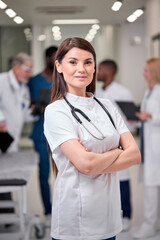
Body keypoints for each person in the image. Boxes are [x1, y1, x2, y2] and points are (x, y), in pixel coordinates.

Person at [44, 37, 141, 240]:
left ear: (95, 67)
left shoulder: (107, 106)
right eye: (73, 62)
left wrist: (94, 161)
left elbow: (134, 156)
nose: (82, 69)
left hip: (108, 217)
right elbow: (86, 165)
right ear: (59, 66)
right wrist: (116, 152)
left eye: (88, 62)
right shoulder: (56, 111)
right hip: (76, 221)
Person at [96, 60, 135, 231]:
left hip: (119, 142)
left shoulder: (123, 92)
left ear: (108, 71)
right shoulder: (94, 91)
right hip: (100, 142)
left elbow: (131, 121)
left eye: (99, 69)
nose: (97, 72)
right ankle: (106, 214)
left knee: (122, 178)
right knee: (104, 178)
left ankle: (125, 215)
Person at [0, 52, 33, 213]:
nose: (29, 74)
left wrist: (36, 111)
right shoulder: (1, 80)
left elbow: (22, 115)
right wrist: (0, 119)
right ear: (16, 66)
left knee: (5, 176)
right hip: (2, 135)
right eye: (27, 69)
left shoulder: (24, 89)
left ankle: (7, 215)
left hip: (10, 140)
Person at [28, 46, 58, 225]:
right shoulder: (34, 81)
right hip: (40, 133)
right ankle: (48, 211)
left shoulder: (62, 79)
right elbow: (27, 102)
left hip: (60, 134)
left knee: (64, 174)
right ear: (47, 58)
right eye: (53, 58)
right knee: (44, 174)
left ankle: (64, 209)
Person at [133, 58, 160, 239]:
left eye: (146, 71)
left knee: (152, 187)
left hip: (156, 146)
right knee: (152, 185)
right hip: (149, 144)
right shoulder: (149, 92)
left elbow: (155, 115)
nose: (144, 74)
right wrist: (138, 118)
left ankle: (150, 225)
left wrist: (151, 116)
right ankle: (153, 223)